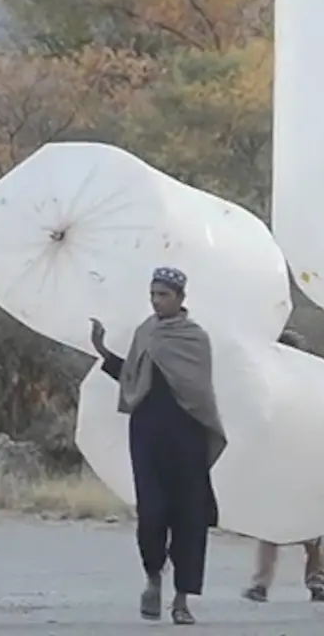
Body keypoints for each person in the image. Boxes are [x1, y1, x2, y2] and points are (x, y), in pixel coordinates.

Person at [90, 266, 226, 626]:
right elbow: (132, 378)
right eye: (153, 294)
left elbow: (199, 391)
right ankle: (153, 578)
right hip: (147, 433)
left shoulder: (195, 338)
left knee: (189, 517)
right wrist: (103, 350)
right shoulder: (145, 332)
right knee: (151, 513)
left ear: (180, 298)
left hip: (186, 436)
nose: (156, 301)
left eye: (163, 295)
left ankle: (182, 599)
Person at [243, 328, 324, 604]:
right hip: (280, 460)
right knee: (272, 525)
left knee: (312, 527)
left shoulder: (311, 386)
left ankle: (314, 581)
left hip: (303, 459)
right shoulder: (267, 384)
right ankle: (264, 583)